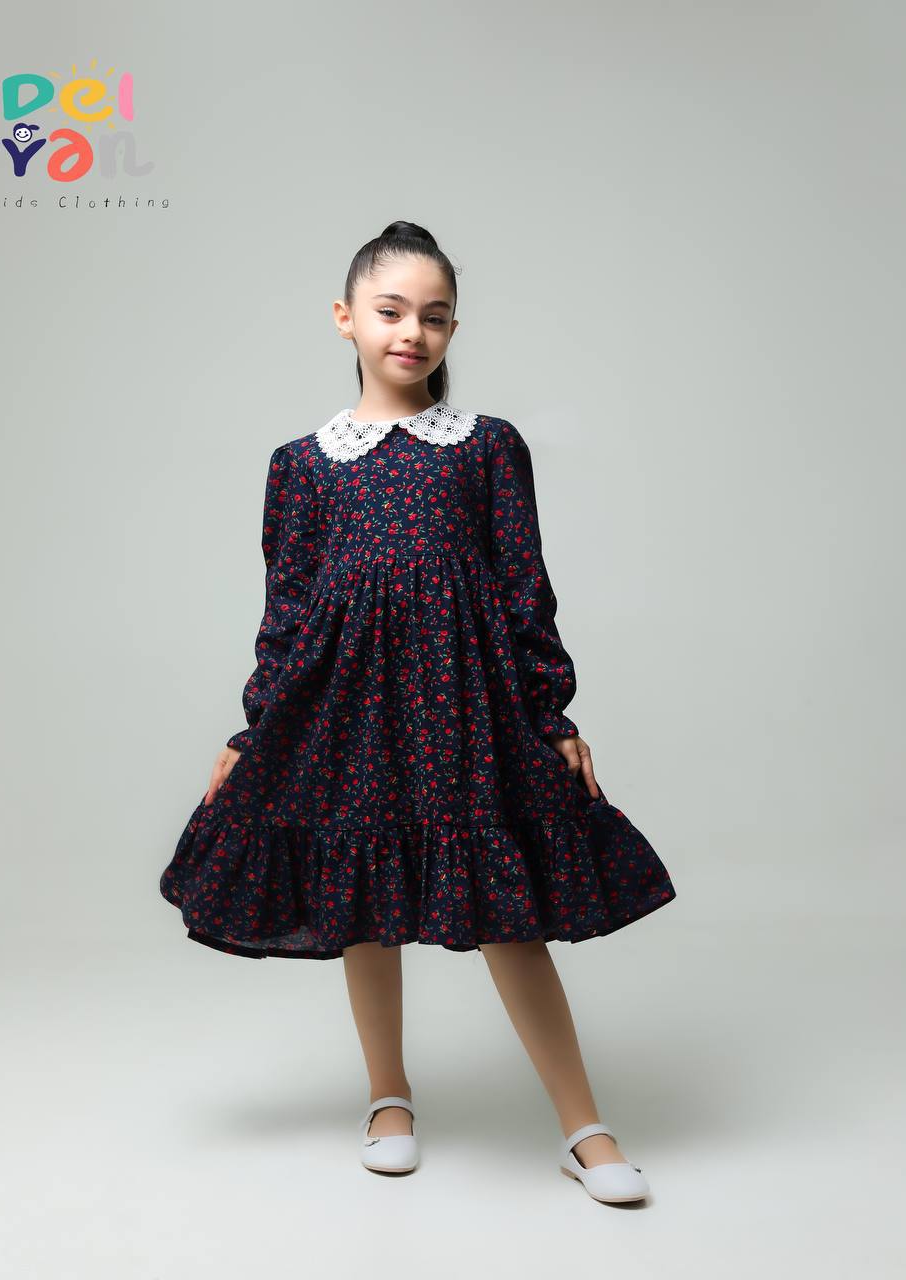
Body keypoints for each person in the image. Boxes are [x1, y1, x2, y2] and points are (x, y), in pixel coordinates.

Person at [159, 220, 677, 1202]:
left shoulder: (486, 446)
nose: (412, 332)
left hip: (465, 705)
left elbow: (524, 586)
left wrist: (552, 715)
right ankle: (387, 1098)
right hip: (346, 704)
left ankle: (585, 1127)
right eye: (391, 311)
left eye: (434, 316)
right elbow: (288, 608)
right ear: (345, 317)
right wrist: (253, 728)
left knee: (506, 908)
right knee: (364, 895)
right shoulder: (302, 464)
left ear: (452, 330)